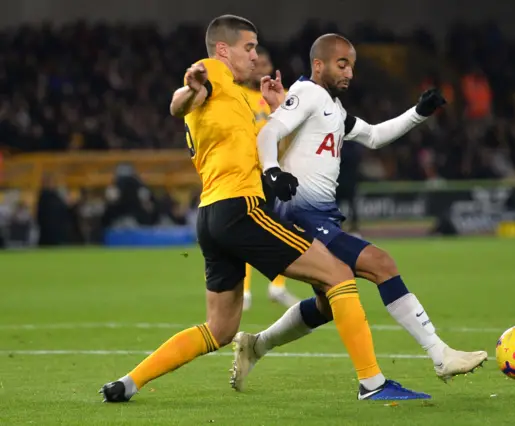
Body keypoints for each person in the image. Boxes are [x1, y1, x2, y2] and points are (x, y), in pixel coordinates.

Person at [99, 16, 430, 403]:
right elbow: (180, 101)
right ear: (224, 49)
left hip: (211, 216)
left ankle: (129, 382)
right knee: (339, 274)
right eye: (249, 47)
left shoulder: (238, 99)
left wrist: (274, 109)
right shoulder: (214, 75)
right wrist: (189, 88)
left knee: (220, 330)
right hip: (241, 209)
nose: (256, 55)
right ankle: (373, 385)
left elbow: (266, 148)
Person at [231, 34, 487, 391]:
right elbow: (269, 132)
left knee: (326, 303)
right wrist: (272, 171)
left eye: (352, 65)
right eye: (341, 64)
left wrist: (419, 113)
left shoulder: (333, 107)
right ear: (318, 65)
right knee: (381, 264)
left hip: (319, 217)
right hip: (301, 217)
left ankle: (256, 346)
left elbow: (374, 136)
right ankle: (439, 355)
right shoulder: (309, 94)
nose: (349, 72)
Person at [239, 45, 298, 311]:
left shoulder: (279, 97)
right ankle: (245, 291)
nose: (261, 68)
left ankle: (277, 287)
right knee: (247, 229)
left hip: (275, 169)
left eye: (266, 64)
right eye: (257, 64)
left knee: (284, 225)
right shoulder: (240, 96)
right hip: (250, 170)